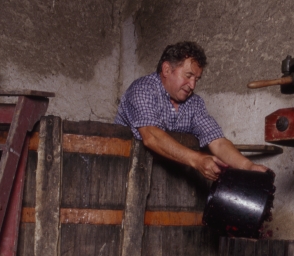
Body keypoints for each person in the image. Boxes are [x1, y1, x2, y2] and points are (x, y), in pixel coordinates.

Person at [115, 41, 269, 180]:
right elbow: (151, 136)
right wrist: (198, 160)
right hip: (125, 175)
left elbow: (217, 142)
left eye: (197, 79)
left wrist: (248, 167)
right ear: (167, 69)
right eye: (188, 76)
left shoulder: (194, 103)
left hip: (164, 185)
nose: (192, 85)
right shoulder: (143, 89)